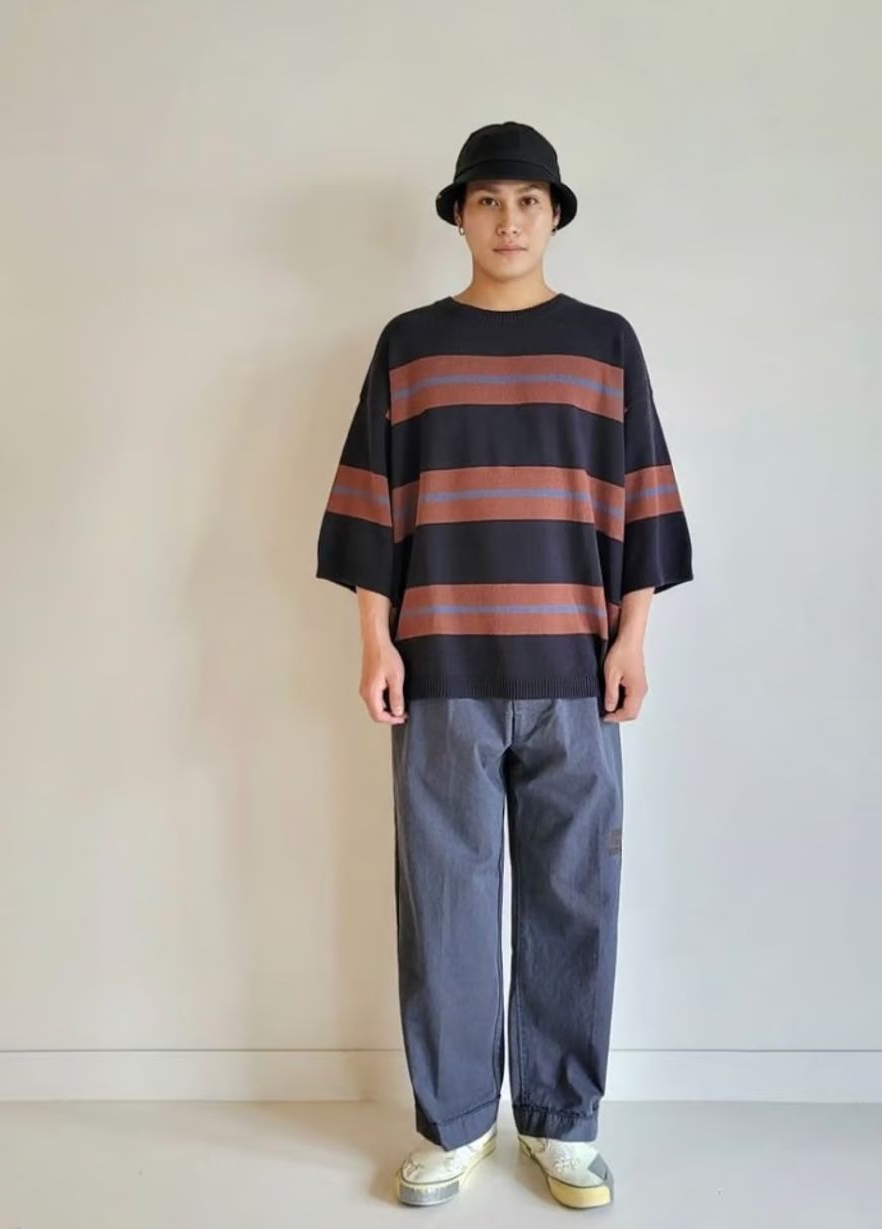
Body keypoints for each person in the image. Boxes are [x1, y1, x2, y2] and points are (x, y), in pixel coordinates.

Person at [315, 121, 693, 1209]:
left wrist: (631, 639)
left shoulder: (605, 343)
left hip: (576, 669)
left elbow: (642, 497)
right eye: (487, 200)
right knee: (445, 901)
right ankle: (455, 1120)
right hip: (442, 669)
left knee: (576, 896)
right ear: (459, 216)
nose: (509, 220)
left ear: (555, 214)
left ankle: (562, 1123)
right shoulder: (410, 345)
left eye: (528, 200)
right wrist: (375, 640)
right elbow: (372, 502)